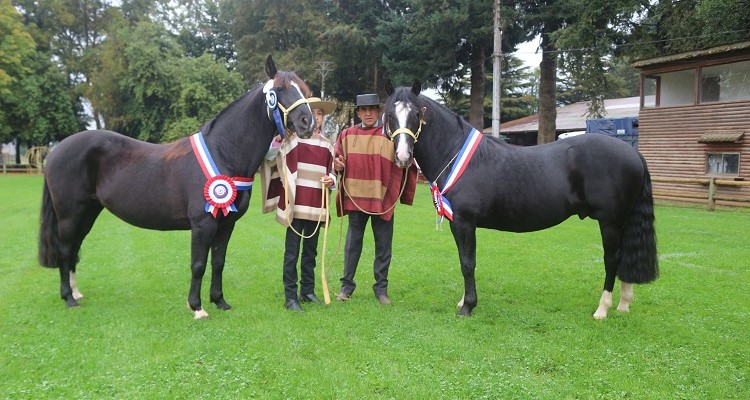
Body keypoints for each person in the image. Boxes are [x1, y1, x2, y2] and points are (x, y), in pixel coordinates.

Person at [333, 93, 418, 305]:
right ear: (358, 113)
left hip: (383, 200)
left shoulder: (390, 135)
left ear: (379, 111)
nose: (368, 113)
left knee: (383, 246)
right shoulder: (346, 135)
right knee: (352, 245)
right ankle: (346, 287)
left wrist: (405, 163)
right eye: (364, 110)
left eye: (372, 109)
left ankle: (381, 290)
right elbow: (335, 160)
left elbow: (405, 158)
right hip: (356, 197)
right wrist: (337, 165)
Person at [261, 97, 337, 312]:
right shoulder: (291, 141)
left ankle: (307, 291)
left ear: (323, 118)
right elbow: (271, 156)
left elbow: (332, 172)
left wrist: (332, 180)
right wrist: (278, 140)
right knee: (292, 252)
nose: (316, 117)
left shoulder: (328, 145)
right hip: (296, 205)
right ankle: (290, 295)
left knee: (310, 253)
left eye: (320, 113)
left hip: (316, 206)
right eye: (312, 113)